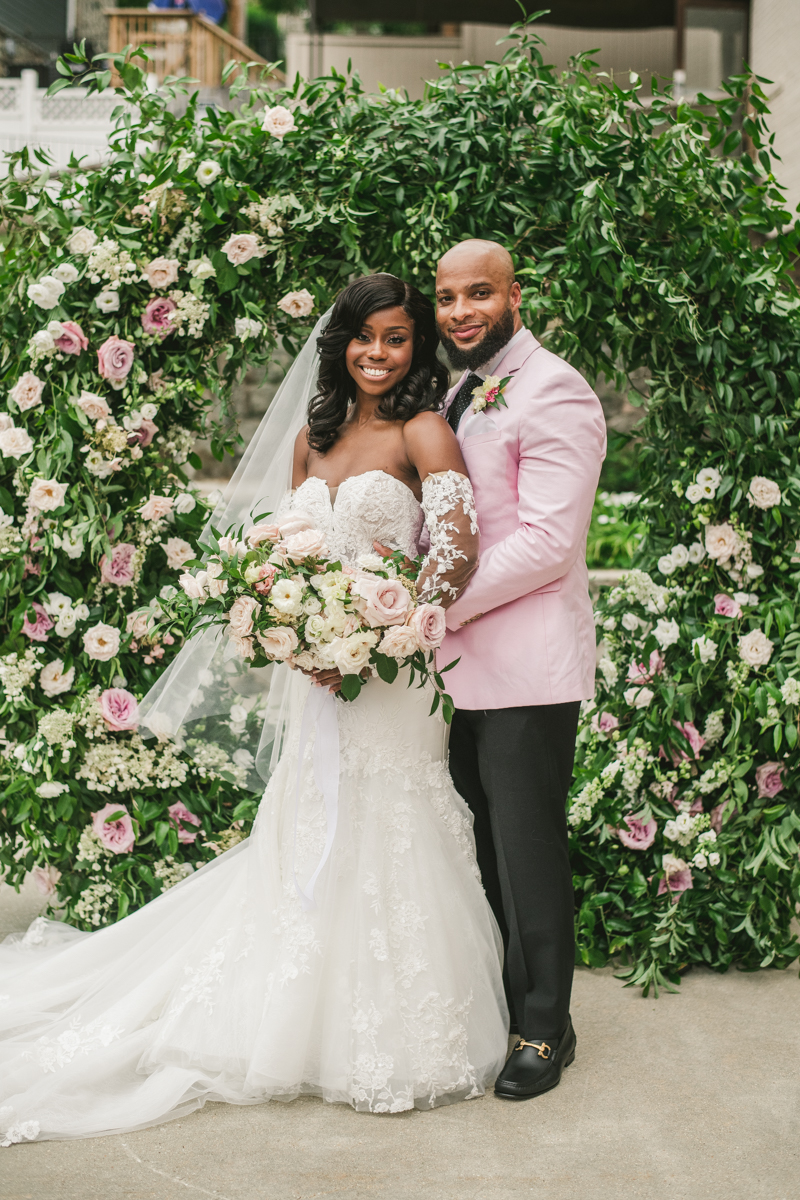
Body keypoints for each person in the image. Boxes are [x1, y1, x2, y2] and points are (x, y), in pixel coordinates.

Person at [0, 275, 508, 1147]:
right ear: (339, 342)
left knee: (394, 820)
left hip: (393, 677)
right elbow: (279, 548)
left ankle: (392, 1031)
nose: (378, 354)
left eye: (396, 339)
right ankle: (289, 1014)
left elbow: (454, 554)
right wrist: (295, 633)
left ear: (418, 348)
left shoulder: (424, 431)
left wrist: (385, 629)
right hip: (322, 673)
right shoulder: (314, 441)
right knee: (312, 821)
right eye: (363, 337)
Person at [435, 239, 606, 1100]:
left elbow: (547, 542)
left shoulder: (554, 388)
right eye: (446, 297)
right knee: (476, 845)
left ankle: (546, 1029)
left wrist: (439, 603)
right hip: (457, 668)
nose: (461, 310)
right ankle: (501, 1005)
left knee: (526, 852)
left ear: (513, 296)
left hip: (528, 668)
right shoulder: (457, 389)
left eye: (478, 294)